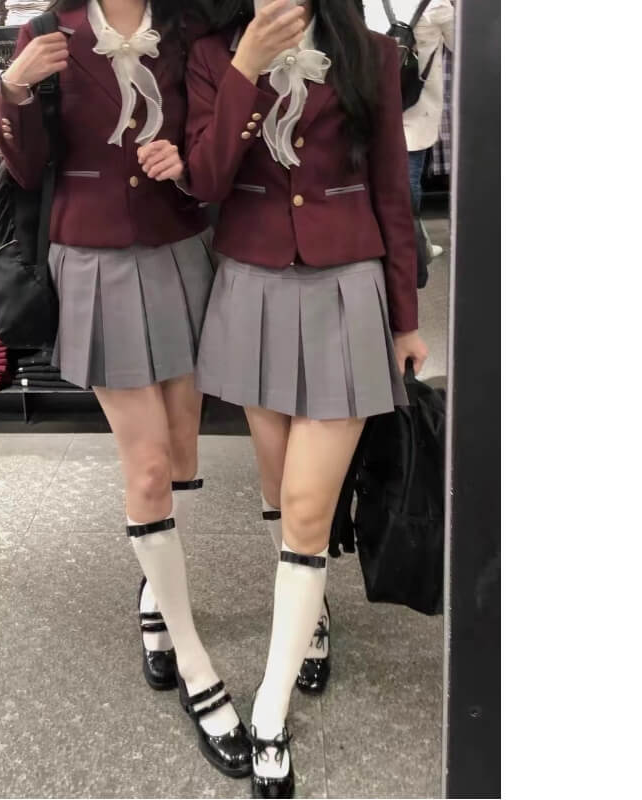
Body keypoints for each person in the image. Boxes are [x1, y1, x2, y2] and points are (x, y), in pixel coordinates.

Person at [0, 0, 253, 779]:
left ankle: (153, 589)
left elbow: (212, 133)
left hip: (180, 246)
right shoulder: (49, 32)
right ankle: (196, 668)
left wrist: (188, 157)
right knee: (146, 469)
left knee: (179, 453)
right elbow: (27, 169)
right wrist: (12, 90)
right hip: (94, 255)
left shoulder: (188, 26)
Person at [185, 0, 428, 795]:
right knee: (277, 488)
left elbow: (392, 191)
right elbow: (206, 180)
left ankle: (269, 710)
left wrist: (405, 318)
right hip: (250, 285)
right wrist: (245, 68)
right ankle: (312, 614)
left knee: (306, 504)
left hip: (347, 289)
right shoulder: (212, 53)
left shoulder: (369, 53)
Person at [366, 0, 455, 258]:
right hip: (414, 107)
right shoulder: (436, 5)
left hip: (371, 101)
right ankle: (411, 251)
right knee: (407, 184)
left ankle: (412, 243)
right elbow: (463, 45)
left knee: (373, 178)